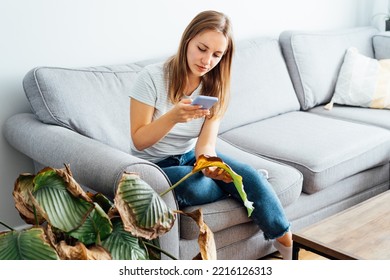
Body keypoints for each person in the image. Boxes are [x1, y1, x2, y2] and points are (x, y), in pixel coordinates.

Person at [129, 10, 292, 260]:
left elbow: (205, 146)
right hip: (153, 166)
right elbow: (139, 141)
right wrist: (173, 117)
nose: (207, 61)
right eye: (202, 48)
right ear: (187, 41)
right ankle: (238, 187)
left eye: (217, 55)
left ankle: (289, 249)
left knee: (248, 176)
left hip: (190, 159)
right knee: (196, 184)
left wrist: (209, 166)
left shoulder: (216, 86)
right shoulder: (150, 78)